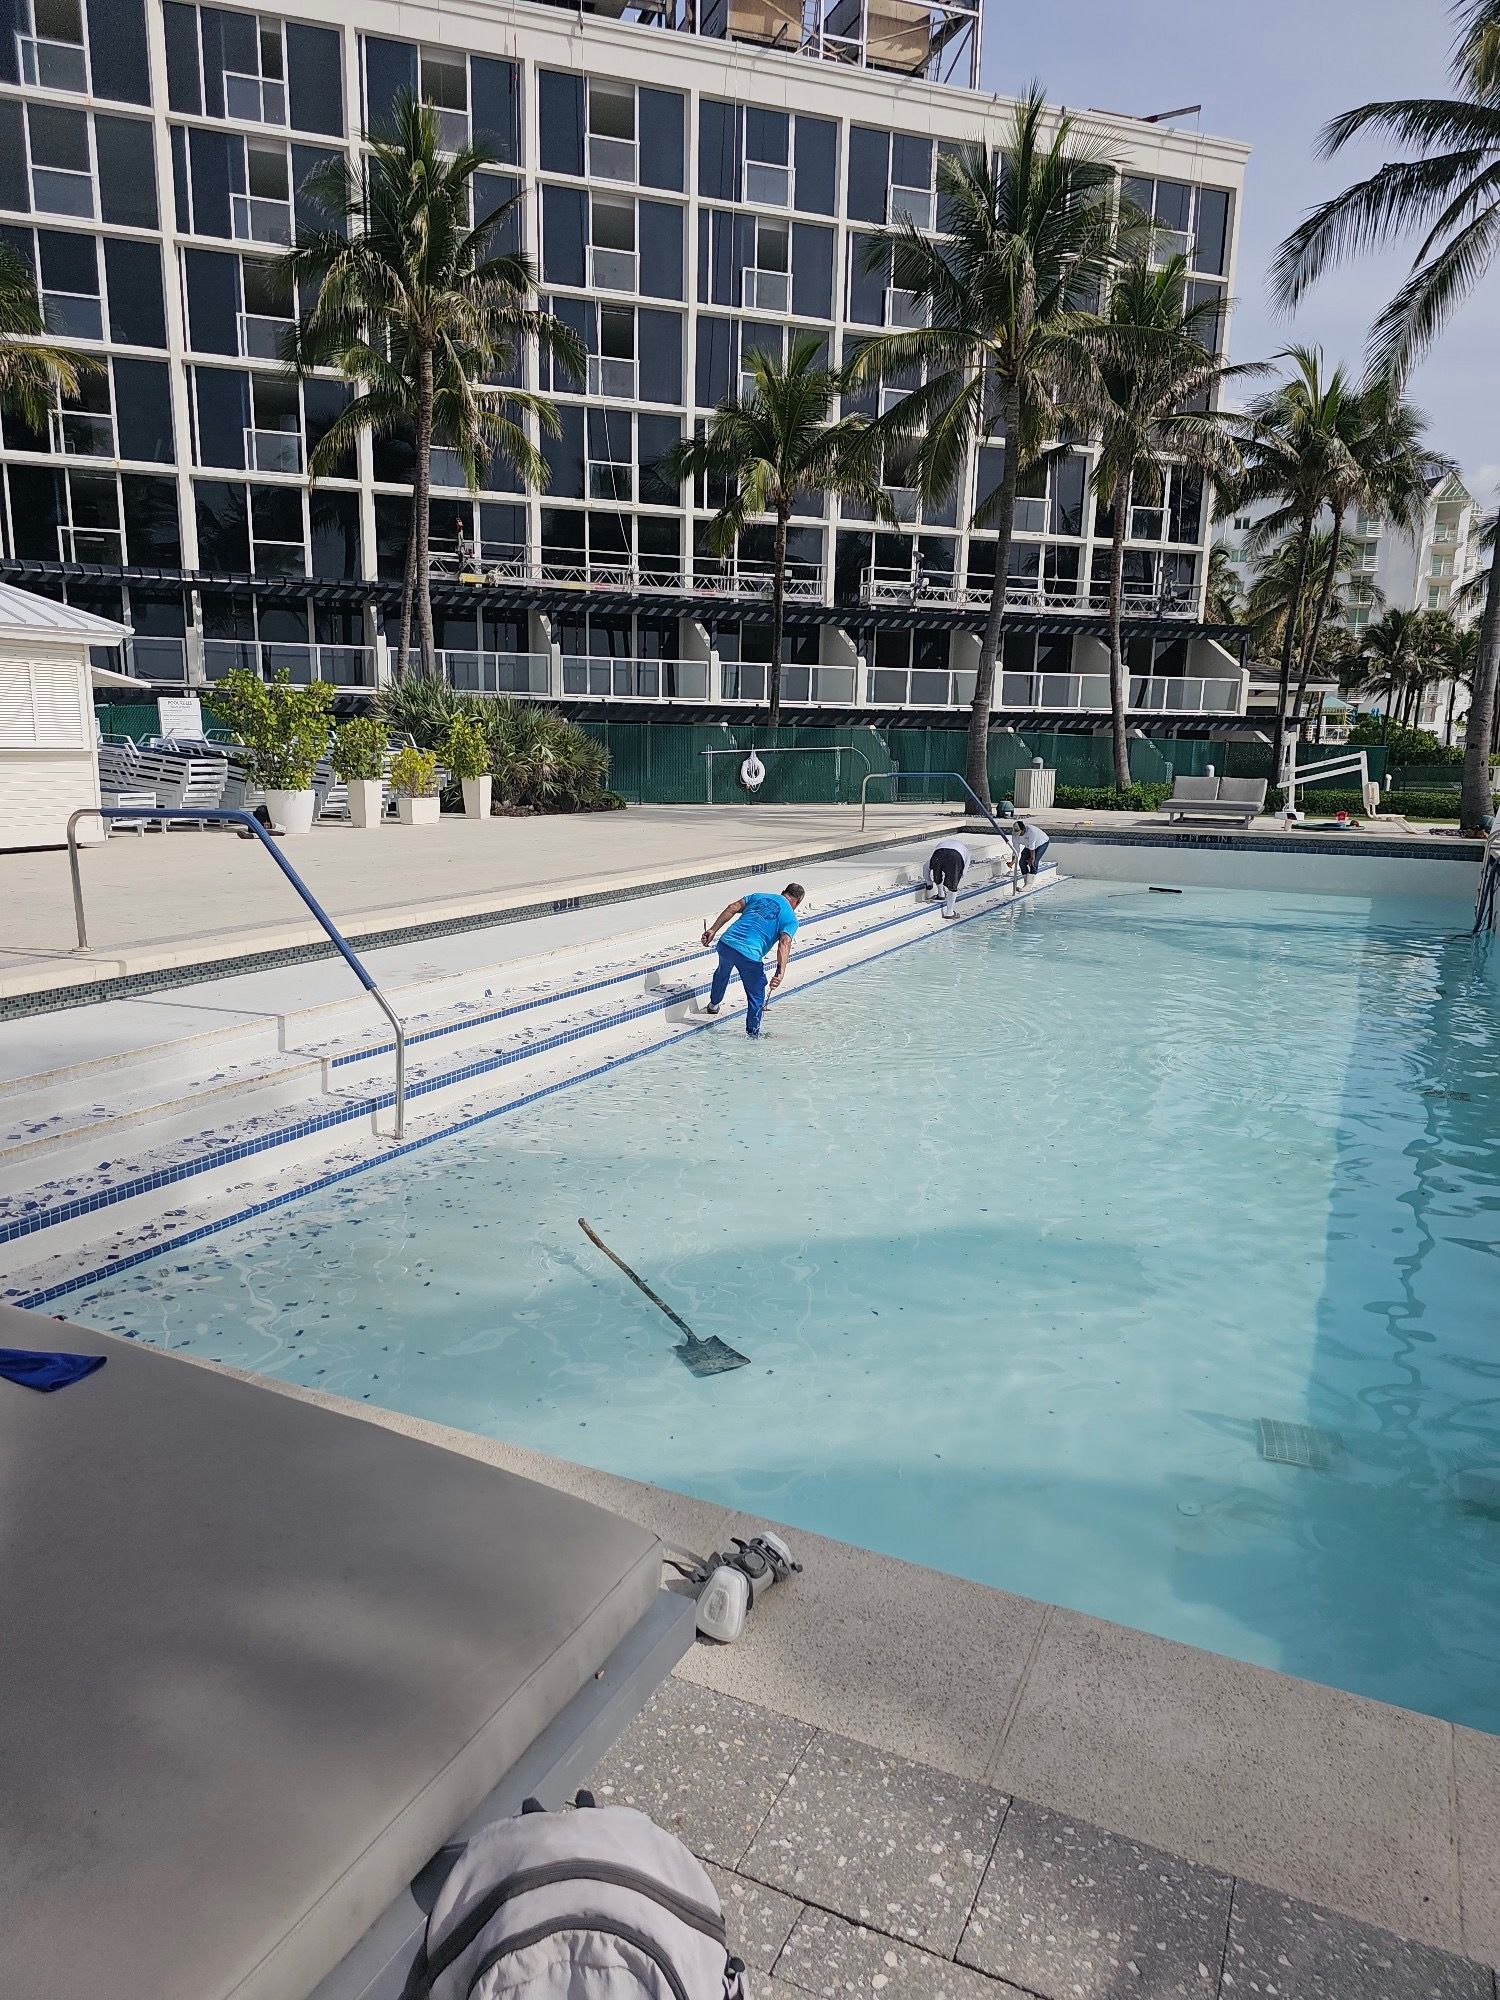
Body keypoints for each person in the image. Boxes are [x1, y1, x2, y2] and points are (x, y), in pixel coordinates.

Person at [699, 882, 804, 1037]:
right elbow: (784, 942)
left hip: (726, 943)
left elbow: (732, 907)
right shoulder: (791, 918)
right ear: (798, 902)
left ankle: (713, 1005)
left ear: (783, 892)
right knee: (756, 995)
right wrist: (780, 972)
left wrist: (713, 930)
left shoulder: (758, 896)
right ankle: (752, 1034)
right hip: (749, 955)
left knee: (722, 972)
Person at [922, 837, 971, 918]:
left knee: (937, 872)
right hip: (955, 856)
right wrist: (955, 878)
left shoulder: (941, 845)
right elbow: (963, 873)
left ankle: (941, 895)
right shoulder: (966, 851)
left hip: (939, 852)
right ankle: (949, 912)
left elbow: (925, 867)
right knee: (953, 886)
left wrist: (929, 883)